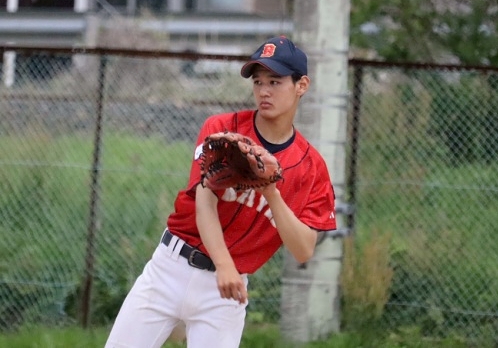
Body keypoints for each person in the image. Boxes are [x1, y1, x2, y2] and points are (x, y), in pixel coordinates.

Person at [105, 35, 337, 348]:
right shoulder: (223, 130)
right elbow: (204, 203)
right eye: (258, 81)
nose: (264, 91)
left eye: (275, 81)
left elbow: (303, 249)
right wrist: (224, 264)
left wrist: (271, 192)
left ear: (302, 85)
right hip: (170, 269)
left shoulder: (312, 168)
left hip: (225, 294)